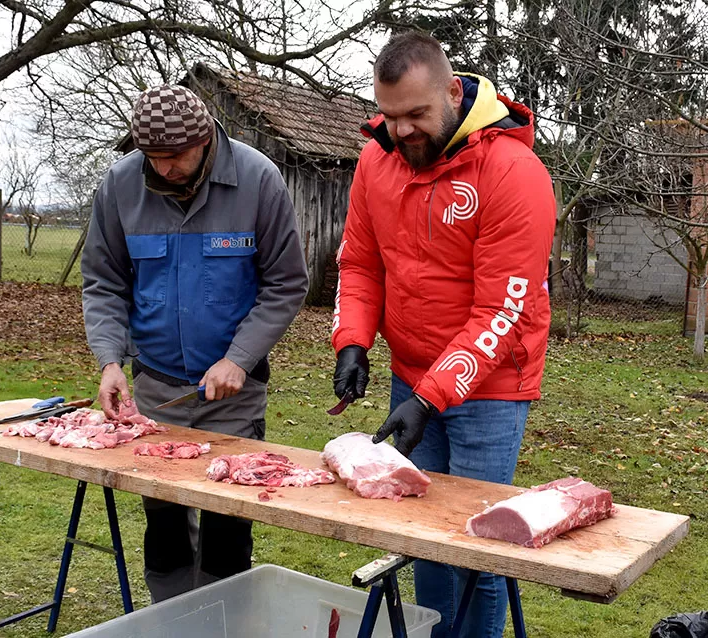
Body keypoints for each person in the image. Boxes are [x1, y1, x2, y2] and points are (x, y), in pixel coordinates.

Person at [331, 32, 555, 638]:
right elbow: (360, 263)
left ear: (453, 93)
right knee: (424, 537)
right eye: (391, 115)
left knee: (477, 543)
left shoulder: (513, 172)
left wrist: (430, 397)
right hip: (412, 377)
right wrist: (353, 339)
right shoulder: (376, 160)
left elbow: (500, 314)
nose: (401, 132)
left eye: (416, 115)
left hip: (492, 386)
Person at [82, 84, 308, 602]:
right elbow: (104, 282)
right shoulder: (119, 186)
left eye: (175, 156)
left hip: (232, 394)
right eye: (152, 158)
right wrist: (110, 360)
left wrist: (240, 358)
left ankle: (223, 622)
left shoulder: (257, 179)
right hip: (157, 390)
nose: (164, 169)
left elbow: (285, 283)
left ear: (205, 139)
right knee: (162, 527)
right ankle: (170, 622)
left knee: (227, 526)